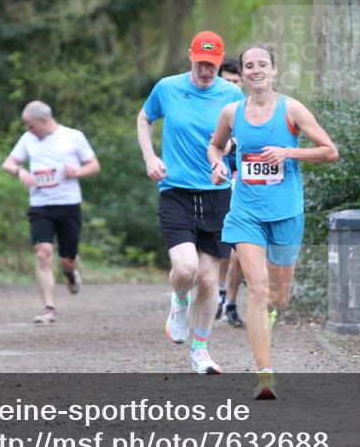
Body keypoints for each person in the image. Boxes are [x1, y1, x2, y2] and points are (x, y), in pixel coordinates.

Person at [209, 45, 338, 398]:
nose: (255, 70)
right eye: (249, 65)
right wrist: (219, 164)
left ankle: (270, 317)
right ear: (244, 73)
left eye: (261, 64)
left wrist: (289, 152)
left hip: (286, 212)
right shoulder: (231, 112)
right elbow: (216, 146)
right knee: (258, 289)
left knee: (279, 298)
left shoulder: (291, 109)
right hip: (245, 212)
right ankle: (265, 375)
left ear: (274, 70)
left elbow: (330, 151)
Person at [137, 31, 244, 374]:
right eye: (200, 64)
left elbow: (238, 136)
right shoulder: (167, 88)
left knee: (210, 280)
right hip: (176, 190)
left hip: (217, 193)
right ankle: (179, 301)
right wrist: (150, 156)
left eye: (211, 66)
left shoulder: (231, 93)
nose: (205, 71)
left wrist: (226, 154)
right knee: (186, 269)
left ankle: (201, 350)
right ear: (190, 57)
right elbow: (144, 118)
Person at [2, 101, 100, 324]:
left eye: (30, 125)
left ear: (44, 121)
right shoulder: (28, 139)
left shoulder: (73, 136)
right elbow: (8, 163)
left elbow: (94, 165)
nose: (28, 130)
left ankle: (70, 273)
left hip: (68, 205)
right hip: (40, 206)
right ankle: (49, 308)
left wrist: (78, 171)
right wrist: (20, 171)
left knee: (67, 259)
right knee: (43, 252)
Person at [214, 59, 246, 328]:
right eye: (226, 81)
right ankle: (220, 291)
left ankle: (231, 301)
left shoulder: (250, 111)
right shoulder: (213, 109)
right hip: (215, 182)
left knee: (240, 248)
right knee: (221, 246)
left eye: (236, 82)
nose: (231, 86)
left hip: (245, 182)